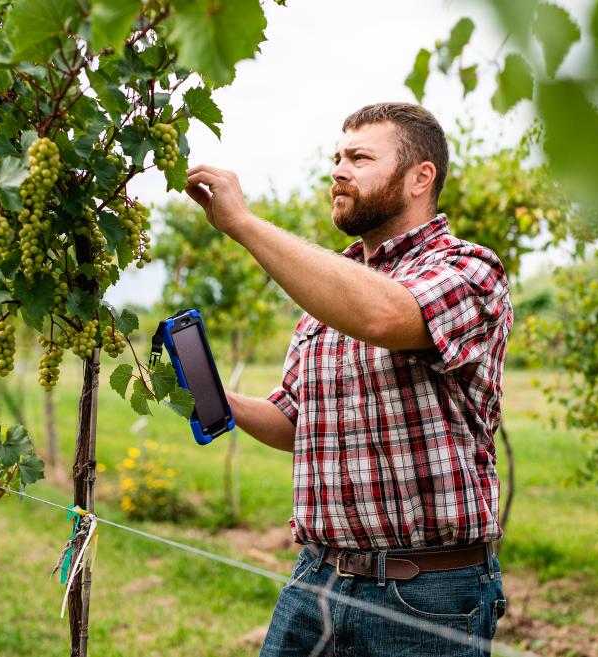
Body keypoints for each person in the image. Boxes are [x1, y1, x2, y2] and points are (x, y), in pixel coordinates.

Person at [184, 102, 511, 657]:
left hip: (425, 592)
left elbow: (383, 316)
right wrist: (212, 395)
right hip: (318, 577)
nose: (338, 169)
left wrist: (243, 224)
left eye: (359, 157)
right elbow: (293, 421)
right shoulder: (325, 296)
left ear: (419, 178)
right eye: (337, 157)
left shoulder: (469, 271)